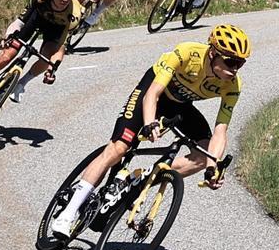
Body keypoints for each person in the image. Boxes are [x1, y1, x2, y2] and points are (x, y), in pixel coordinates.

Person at [48, 26, 251, 238]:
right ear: (212, 53)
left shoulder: (233, 86)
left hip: (180, 105)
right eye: (231, 61)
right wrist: (150, 123)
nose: (236, 68)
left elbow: (221, 131)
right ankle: (68, 213)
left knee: (204, 154)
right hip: (151, 93)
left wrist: (212, 168)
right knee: (119, 148)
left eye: (241, 63)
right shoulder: (187, 53)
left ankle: (143, 179)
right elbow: (152, 94)